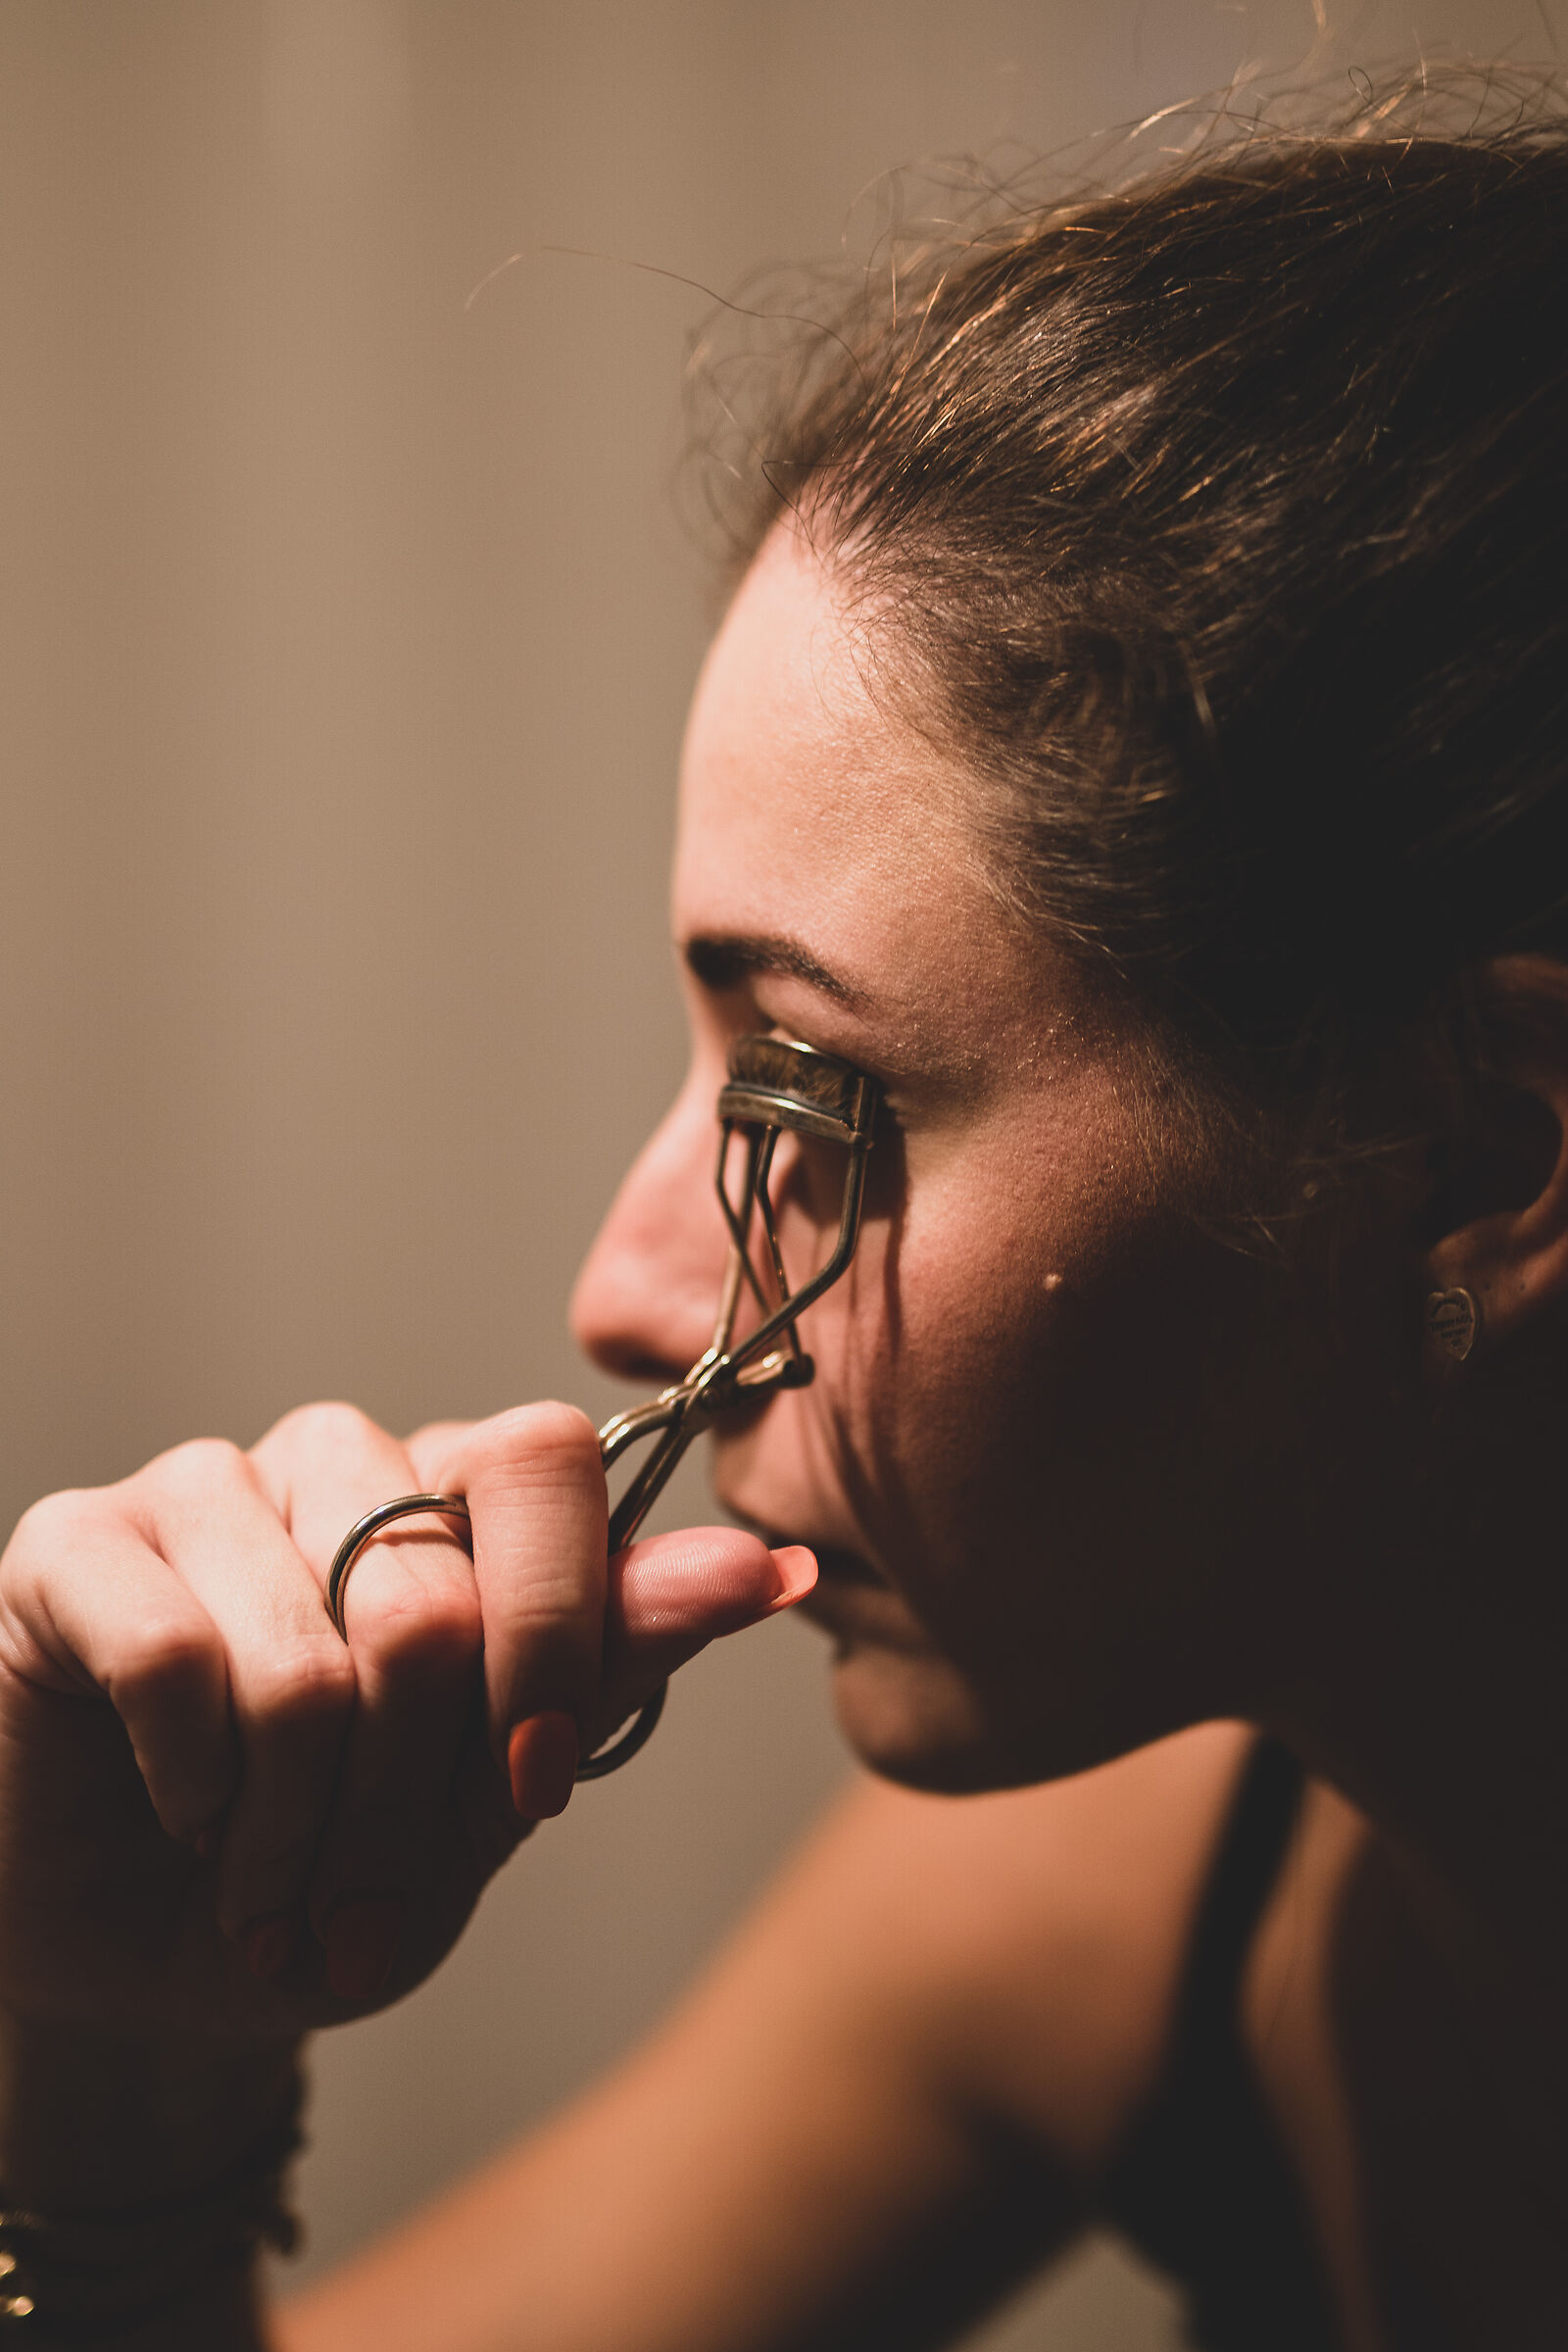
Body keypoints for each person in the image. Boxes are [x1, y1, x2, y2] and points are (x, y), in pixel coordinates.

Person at [2, 81, 1566, 2351]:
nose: (623, 1295)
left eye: (814, 1099)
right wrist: (132, 2083)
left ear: (1477, 1166)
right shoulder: (1118, 1885)